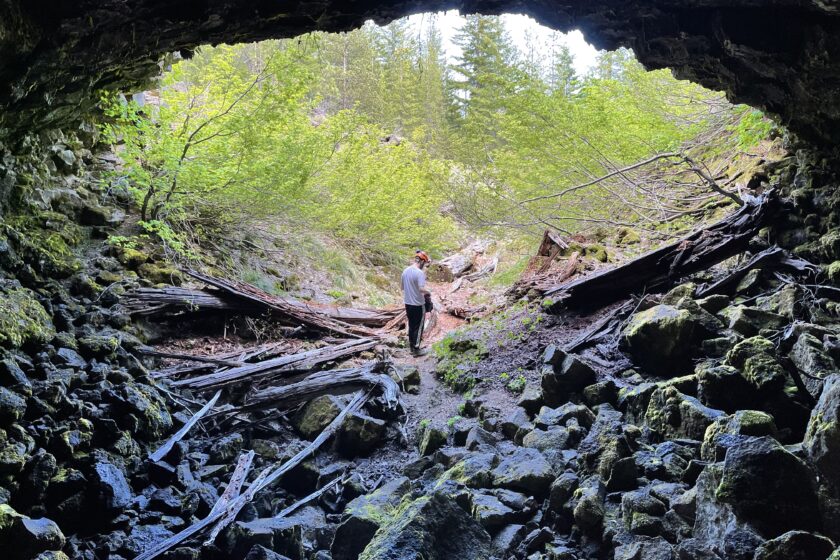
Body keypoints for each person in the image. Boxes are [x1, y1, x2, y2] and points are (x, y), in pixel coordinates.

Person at [401, 250, 431, 355]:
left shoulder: (405, 271)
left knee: (412, 325)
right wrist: (429, 292)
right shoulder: (419, 273)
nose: (424, 265)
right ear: (422, 261)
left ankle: (411, 347)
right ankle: (417, 349)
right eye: (425, 263)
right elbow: (421, 289)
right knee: (419, 327)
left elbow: (403, 287)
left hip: (408, 303)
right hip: (418, 304)